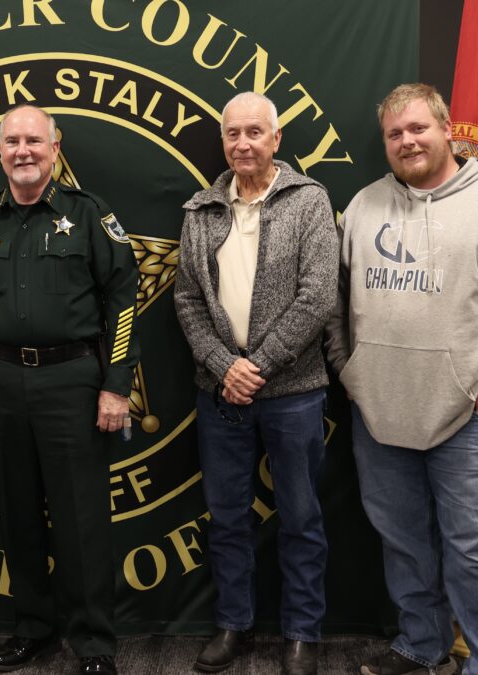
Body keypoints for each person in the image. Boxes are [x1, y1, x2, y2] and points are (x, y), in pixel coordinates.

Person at [325, 83, 478, 675]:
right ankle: (422, 646)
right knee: (403, 541)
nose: (408, 141)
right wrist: (352, 371)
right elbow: (335, 300)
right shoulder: (365, 205)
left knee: (476, 550)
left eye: (419, 128)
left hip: (470, 418)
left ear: (448, 129)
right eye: (395, 134)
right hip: (379, 413)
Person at [0, 104, 139, 675]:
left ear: (55, 147)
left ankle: (94, 642)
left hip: (72, 383)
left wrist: (117, 385)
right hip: (0, 386)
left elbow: (124, 299)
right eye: (12, 142)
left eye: (34, 140)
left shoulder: (88, 214)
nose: (23, 151)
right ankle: (33, 629)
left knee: (81, 521)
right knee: (17, 515)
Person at [173, 91, 337, 675]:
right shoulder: (200, 210)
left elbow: (319, 296)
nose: (243, 143)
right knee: (227, 518)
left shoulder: (310, 202)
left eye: (254, 133)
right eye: (232, 134)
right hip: (221, 395)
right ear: (223, 142)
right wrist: (225, 367)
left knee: (301, 517)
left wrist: (258, 365)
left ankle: (302, 633)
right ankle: (232, 625)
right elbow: (187, 300)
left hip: (293, 392)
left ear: (276, 139)